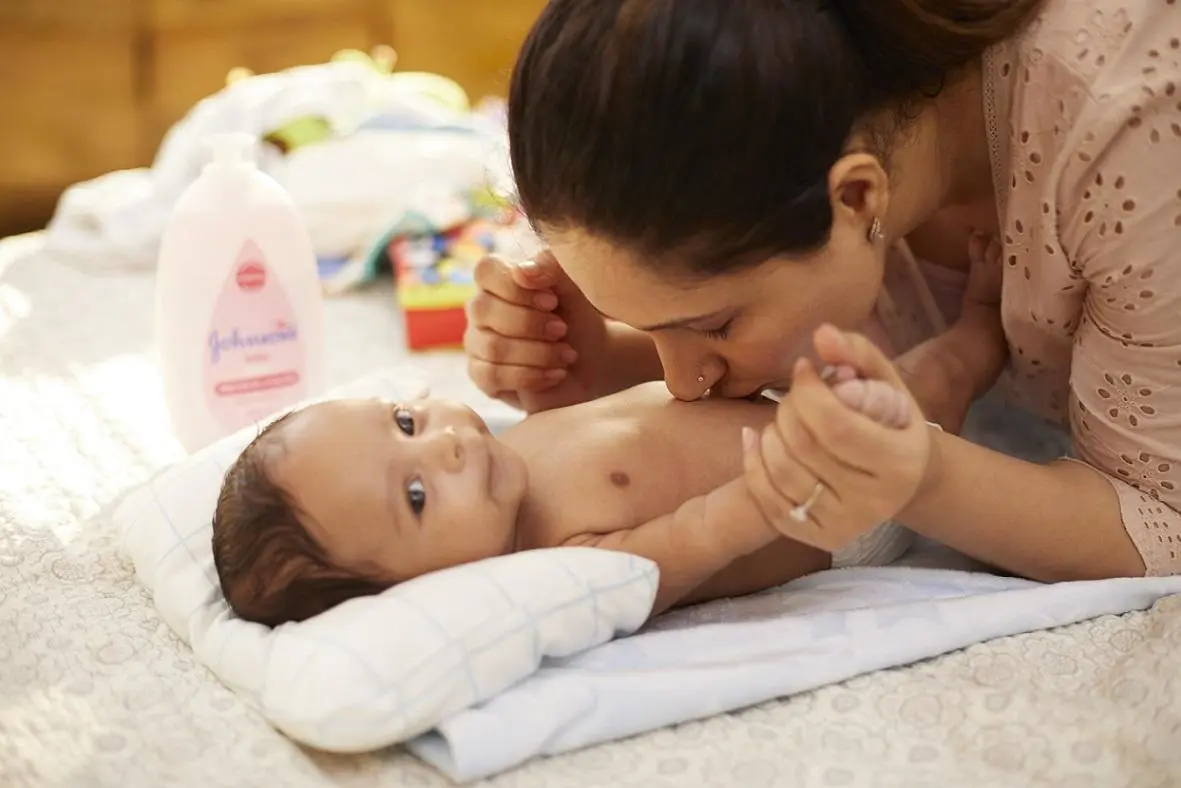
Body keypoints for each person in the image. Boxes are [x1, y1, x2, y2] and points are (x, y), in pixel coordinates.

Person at [464, 0, 1181, 581]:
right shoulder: (803, 102)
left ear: (859, 197)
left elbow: (1164, 522)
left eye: (712, 325)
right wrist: (591, 359)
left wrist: (922, 478)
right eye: (651, 327)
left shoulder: (1130, 123)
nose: (682, 384)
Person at [210, 356, 913, 628]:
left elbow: (615, 421)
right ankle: (964, 356)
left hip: (788, 409)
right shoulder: (561, 567)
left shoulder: (503, 453)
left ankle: (972, 337)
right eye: (417, 496)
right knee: (931, 414)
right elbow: (694, 540)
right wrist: (766, 496)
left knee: (919, 375)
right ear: (415, 594)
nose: (445, 443)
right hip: (831, 511)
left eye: (405, 422)